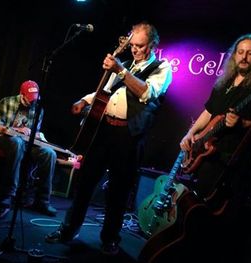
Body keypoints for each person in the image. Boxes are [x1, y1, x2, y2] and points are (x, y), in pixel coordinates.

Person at [45, 21, 173, 255]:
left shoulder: (162, 68)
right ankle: (67, 230)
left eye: (140, 46)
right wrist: (84, 100)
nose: (134, 50)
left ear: (153, 44)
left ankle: (109, 238)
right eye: (132, 45)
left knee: (118, 189)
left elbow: (146, 93)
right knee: (85, 183)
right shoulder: (125, 65)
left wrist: (120, 71)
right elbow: (105, 91)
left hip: (128, 134)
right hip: (104, 130)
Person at [179, 34, 251, 262]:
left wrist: (241, 123)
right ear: (234, 55)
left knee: (220, 218)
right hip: (207, 157)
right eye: (240, 51)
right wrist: (191, 133)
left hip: (231, 161)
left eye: (250, 52)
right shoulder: (225, 82)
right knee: (198, 210)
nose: (244, 56)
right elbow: (208, 112)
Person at [0, 80, 57, 216]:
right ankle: (7, 195)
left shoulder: (38, 108)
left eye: (34, 99)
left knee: (49, 153)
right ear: (21, 94)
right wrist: (17, 130)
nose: (32, 102)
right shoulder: (7, 102)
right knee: (16, 142)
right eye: (29, 99)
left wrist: (37, 135)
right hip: (6, 139)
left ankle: (42, 200)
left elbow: (33, 132)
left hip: (26, 143)